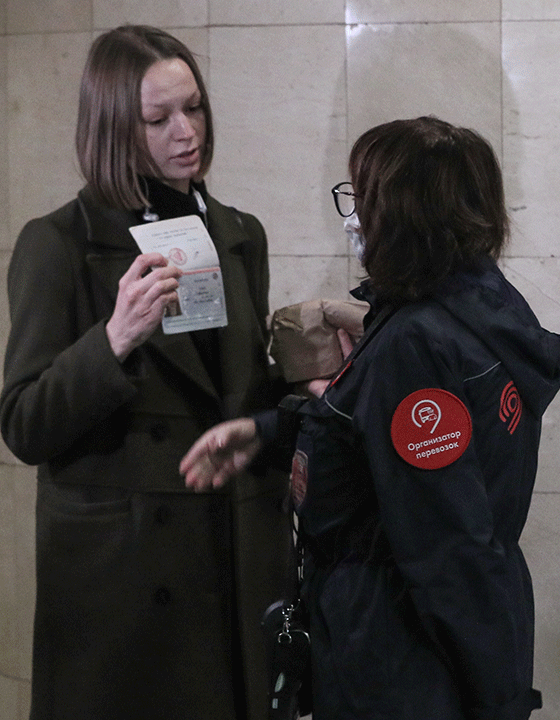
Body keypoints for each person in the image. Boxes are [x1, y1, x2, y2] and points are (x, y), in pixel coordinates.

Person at [181, 116, 560, 720]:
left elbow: (446, 549)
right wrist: (270, 431)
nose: (353, 218)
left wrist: (496, 700)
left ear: (402, 217)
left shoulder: (414, 345)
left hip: (399, 665)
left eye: (361, 200)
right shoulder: (484, 308)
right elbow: (375, 445)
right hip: (422, 651)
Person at [0, 24, 290, 720]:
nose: (185, 132)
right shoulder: (58, 243)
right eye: (158, 119)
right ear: (112, 130)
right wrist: (113, 339)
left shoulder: (240, 233)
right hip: (122, 593)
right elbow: (23, 425)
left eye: (194, 108)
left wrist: (308, 379)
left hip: (234, 561)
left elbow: (243, 391)